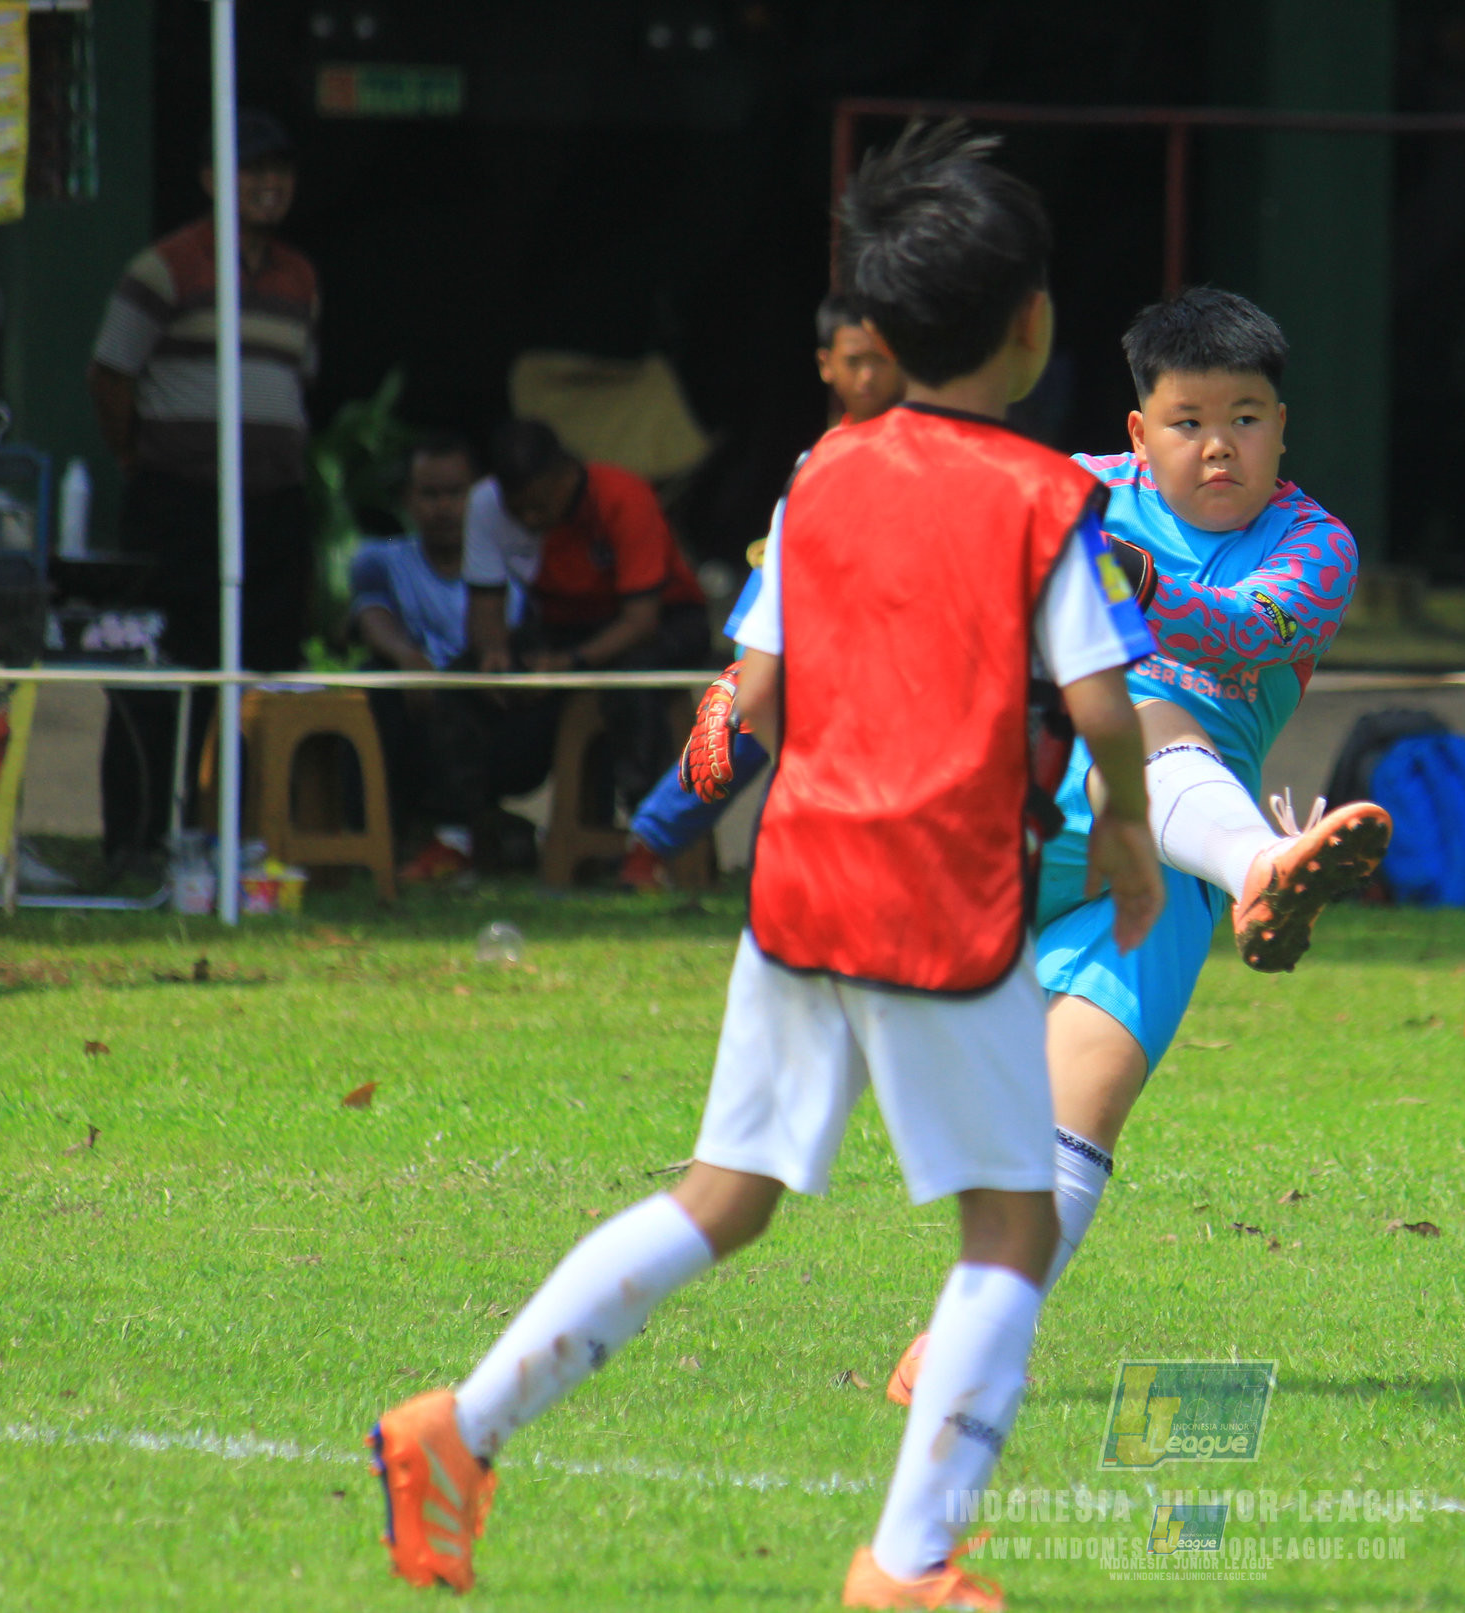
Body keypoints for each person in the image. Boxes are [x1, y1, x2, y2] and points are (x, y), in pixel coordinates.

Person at [371, 121, 1164, 1608]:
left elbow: (752, 699)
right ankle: (908, 1565)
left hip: (800, 890)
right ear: (1034, 325)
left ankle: (455, 1431)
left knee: (719, 1198)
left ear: (876, 330)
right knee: (1009, 1224)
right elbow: (1106, 701)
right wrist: (1122, 823)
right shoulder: (1044, 500)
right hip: (945, 903)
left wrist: (668, 816)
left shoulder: (820, 480)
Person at [864, 287, 1393, 1403]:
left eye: (1246, 417)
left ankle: (965, 1337)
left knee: (1084, 1101)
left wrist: (1126, 577)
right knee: (1124, 704)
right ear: (1137, 430)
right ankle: (1265, 871)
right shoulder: (1076, 488)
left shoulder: (1312, 544)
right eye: (1189, 419)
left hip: (1161, 857)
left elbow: (1248, 627)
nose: (1218, 446)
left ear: (1283, 429)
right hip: (1019, 811)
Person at [86, 108, 317, 869]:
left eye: (278, 172)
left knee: (258, 671)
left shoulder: (298, 276)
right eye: (251, 171)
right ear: (213, 180)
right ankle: (136, 838)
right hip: (180, 501)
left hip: (271, 505)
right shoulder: (165, 266)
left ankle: (238, 838)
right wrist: (139, 456)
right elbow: (110, 375)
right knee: (159, 667)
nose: (267, 187)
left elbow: (295, 382)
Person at [616, 295, 906, 890]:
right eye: (855, 360)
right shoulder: (815, 465)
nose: (869, 375)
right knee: (738, 710)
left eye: (881, 359)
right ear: (827, 364)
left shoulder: (933, 453)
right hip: (811, 644)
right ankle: (648, 846)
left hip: (895, 652)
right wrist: (749, 670)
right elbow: (777, 578)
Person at [399, 419, 708, 878]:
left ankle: (649, 844)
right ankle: (457, 836)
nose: (530, 520)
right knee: (459, 682)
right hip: (562, 626)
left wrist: (571, 664)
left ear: (564, 476)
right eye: (518, 510)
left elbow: (640, 621)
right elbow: (485, 606)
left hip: (660, 622)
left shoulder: (623, 497)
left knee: (630, 684)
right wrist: (494, 655)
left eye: (540, 506)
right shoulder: (486, 506)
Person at [346, 435, 520, 865]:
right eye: (429, 494)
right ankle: (370, 843)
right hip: (414, 710)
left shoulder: (517, 562)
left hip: (497, 712)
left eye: (455, 493)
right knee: (370, 682)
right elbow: (371, 615)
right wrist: (407, 658)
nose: (442, 507)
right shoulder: (378, 559)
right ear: (407, 499)